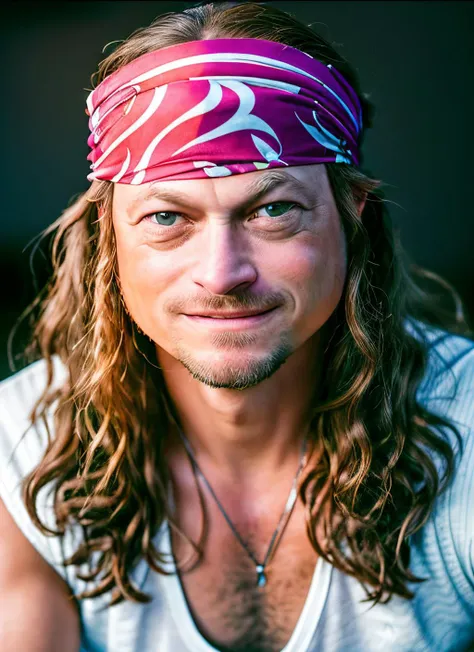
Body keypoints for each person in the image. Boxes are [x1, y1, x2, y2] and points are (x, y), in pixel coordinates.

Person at [1, 1, 473, 651]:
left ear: (352, 215)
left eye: (274, 209)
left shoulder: (466, 430)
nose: (222, 273)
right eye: (168, 218)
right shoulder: (23, 445)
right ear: (108, 236)